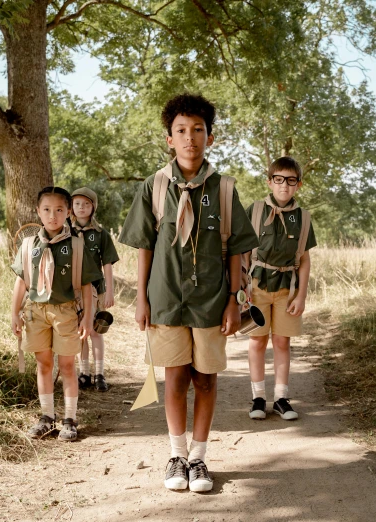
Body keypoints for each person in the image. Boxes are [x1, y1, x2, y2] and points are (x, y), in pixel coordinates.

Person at [119, 93, 259, 492]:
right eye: (181, 130)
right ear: (169, 139)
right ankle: (176, 456)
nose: (190, 138)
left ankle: (199, 459)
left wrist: (233, 300)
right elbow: (145, 245)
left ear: (210, 138)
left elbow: (234, 248)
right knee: (175, 377)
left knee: (207, 379)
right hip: (165, 297)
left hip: (212, 300)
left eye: (198, 130)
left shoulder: (226, 189)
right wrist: (141, 298)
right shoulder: (154, 186)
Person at [10, 186, 101, 441]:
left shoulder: (76, 245)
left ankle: (70, 419)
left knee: (68, 365)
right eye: (47, 210)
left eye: (59, 210)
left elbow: (85, 285)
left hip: (66, 312)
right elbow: (21, 282)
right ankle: (47, 417)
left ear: (68, 212)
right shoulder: (29, 245)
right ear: (38, 212)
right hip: (36, 311)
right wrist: (14, 313)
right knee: (43, 364)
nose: (53, 216)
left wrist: (87, 317)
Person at [243, 157, 317, 421]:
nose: (284, 186)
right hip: (256, 287)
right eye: (279, 179)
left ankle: (282, 398)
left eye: (290, 180)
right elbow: (241, 253)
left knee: (282, 342)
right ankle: (259, 398)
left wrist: (302, 294)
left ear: (298, 185)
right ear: (270, 182)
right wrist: (241, 290)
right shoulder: (254, 210)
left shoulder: (303, 218)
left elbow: (305, 259)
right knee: (257, 341)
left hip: (287, 287)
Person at [71, 187, 120, 392]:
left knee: (96, 332)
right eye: (77, 204)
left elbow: (107, 264)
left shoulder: (101, 234)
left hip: (96, 289)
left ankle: (100, 373)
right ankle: (84, 374)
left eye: (86, 204)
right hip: (74, 291)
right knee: (81, 332)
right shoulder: (66, 232)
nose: (82, 208)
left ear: (93, 207)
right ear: (71, 208)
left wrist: (109, 291)